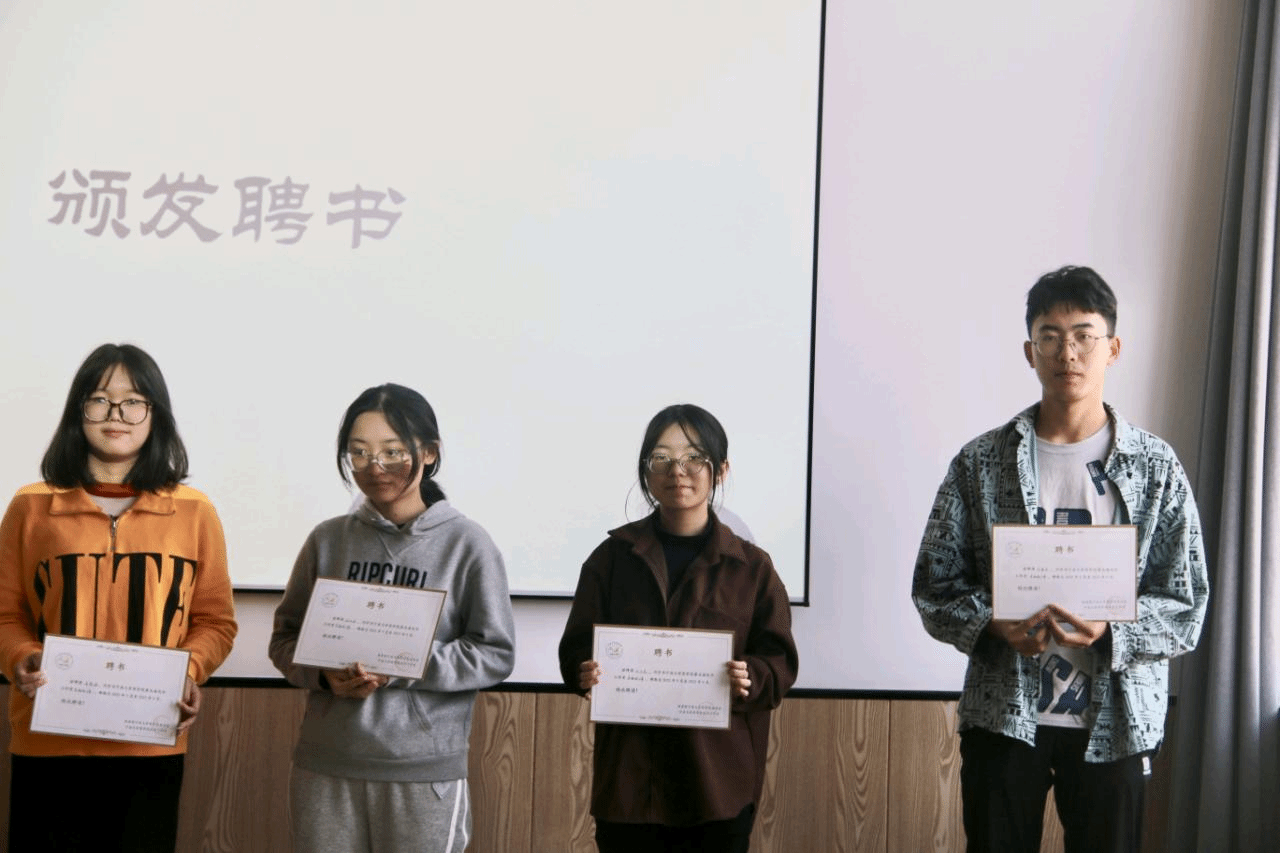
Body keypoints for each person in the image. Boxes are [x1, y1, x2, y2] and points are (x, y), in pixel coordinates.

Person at [911, 266, 1210, 853]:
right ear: (1030, 351)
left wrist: (1112, 629)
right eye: (1049, 336)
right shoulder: (981, 462)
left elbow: (1186, 602)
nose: (1066, 352)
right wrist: (993, 623)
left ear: (1112, 348)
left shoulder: (1155, 467)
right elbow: (934, 586)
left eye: (1083, 336)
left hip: (1117, 719)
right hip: (1004, 714)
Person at [0, 343, 238, 853]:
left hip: (147, 740)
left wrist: (190, 670)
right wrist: (21, 656)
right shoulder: (31, 506)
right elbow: (5, 615)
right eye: (99, 399)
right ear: (77, 410)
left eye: (133, 401)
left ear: (155, 413)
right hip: (49, 742)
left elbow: (216, 622)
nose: (116, 414)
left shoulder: (194, 511)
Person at [269, 383, 515, 853]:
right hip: (326, 765)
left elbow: (494, 653)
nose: (374, 467)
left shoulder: (467, 544)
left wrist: (403, 661)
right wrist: (324, 675)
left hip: (422, 772)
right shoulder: (328, 540)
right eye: (358, 453)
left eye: (392, 452)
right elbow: (285, 640)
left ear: (429, 452)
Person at [558, 403, 798, 853]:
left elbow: (780, 660)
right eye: (661, 459)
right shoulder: (611, 559)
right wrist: (583, 670)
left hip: (717, 785)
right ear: (646, 471)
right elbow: (575, 649)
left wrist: (752, 675)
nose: (677, 471)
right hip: (629, 787)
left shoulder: (752, 568)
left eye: (694, 458)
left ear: (720, 470)